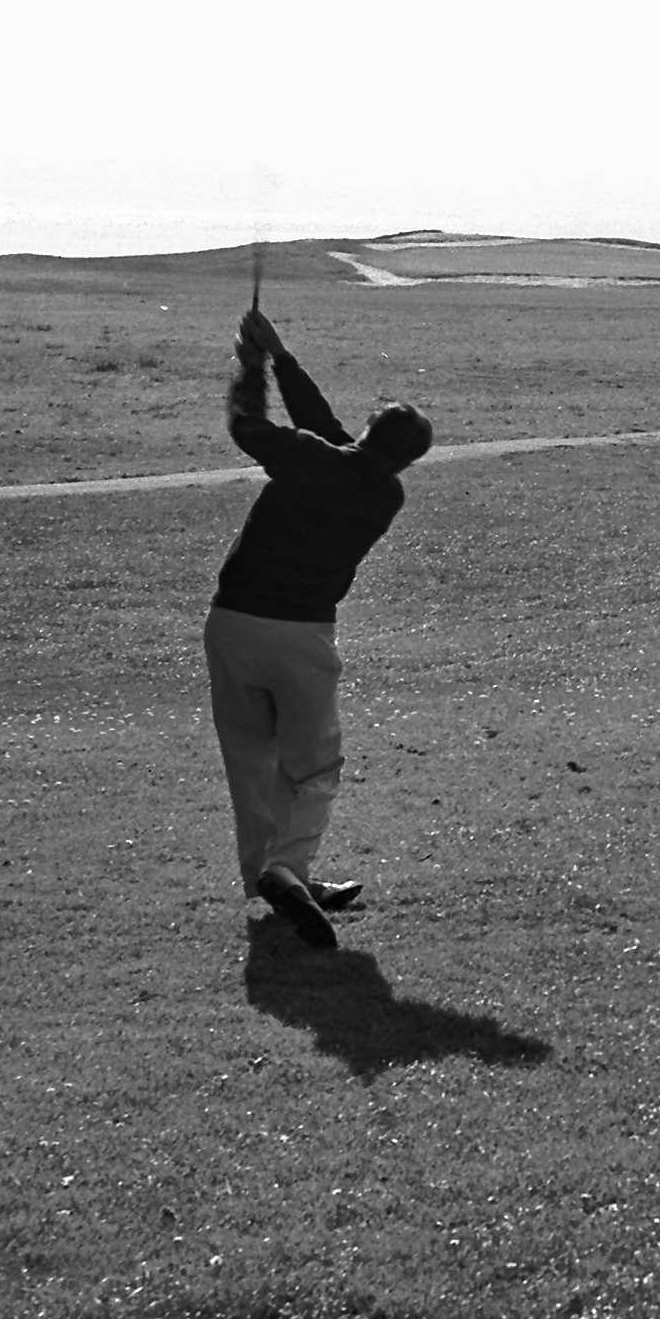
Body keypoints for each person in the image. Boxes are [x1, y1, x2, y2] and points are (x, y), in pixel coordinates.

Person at [207, 304, 433, 951]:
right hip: (301, 639)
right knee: (314, 766)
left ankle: (278, 879)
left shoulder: (312, 458)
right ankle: (287, 870)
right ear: (407, 462)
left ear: (366, 429)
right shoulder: (384, 495)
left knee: (252, 761)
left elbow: (250, 427)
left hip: (231, 624)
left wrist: (256, 362)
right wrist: (279, 358)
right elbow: (327, 436)